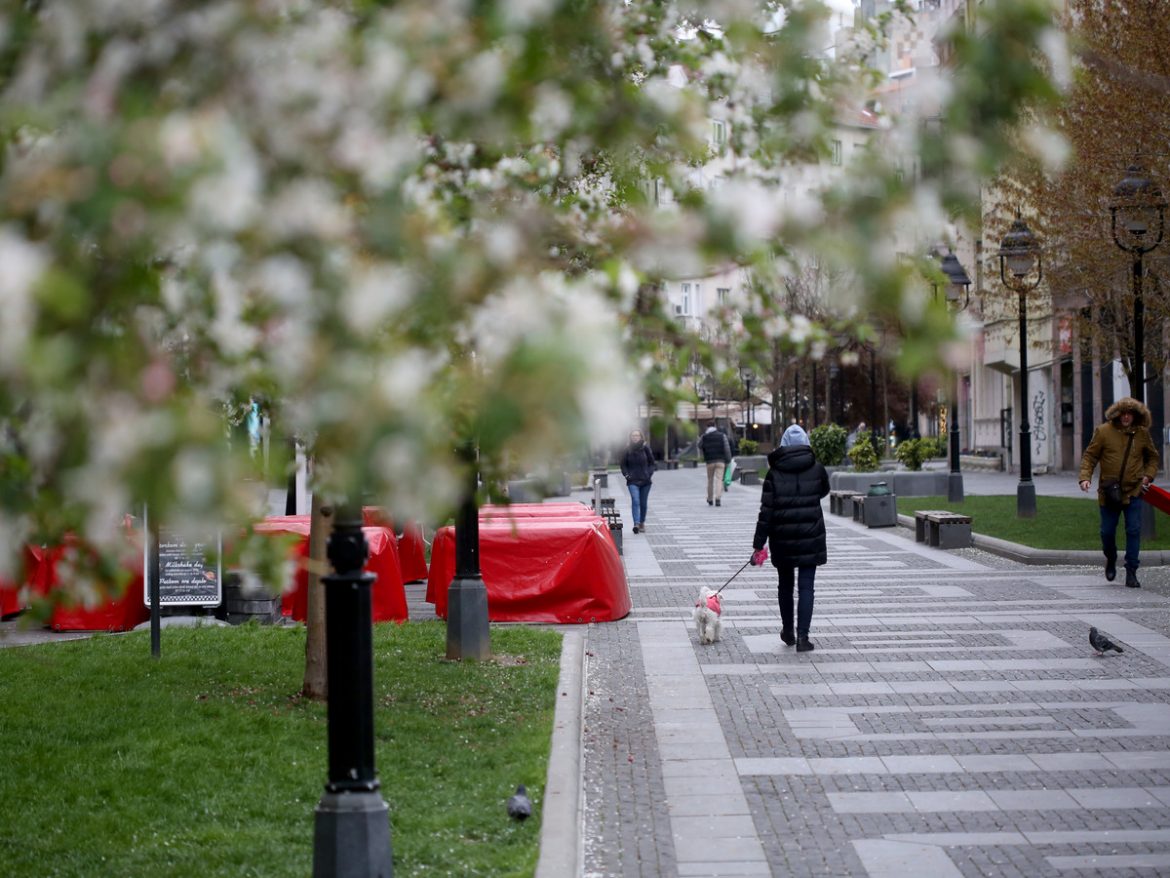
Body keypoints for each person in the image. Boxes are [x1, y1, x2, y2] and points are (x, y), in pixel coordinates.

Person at [750, 423, 830, 652]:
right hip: (810, 536)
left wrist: (758, 545)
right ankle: (803, 638)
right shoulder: (816, 468)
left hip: (782, 537)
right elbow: (823, 490)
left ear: (783, 444)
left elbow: (766, 512)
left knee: (785, 586)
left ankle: (788, 631)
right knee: (807, 587)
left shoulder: (774, 472)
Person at [1078, 397, 1160, 588]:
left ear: (1135, 416)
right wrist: (1085, 477)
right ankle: (1111, 557)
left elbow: (1153, 459)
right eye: (1123, 413)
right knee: (1107, 532)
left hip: (1134, 491)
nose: (1126, 417)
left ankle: (1131, 571)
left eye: (1130, 414)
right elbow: (1090, 456)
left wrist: (1148, 476)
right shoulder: (1103, 432)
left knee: (1133, 530)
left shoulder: (1142, 434)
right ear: (1117, 414)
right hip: (1109, 491)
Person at [620, 429, 656, 534]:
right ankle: (636, 523)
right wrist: (627, 476)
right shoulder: (627, 450)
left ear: (641, 437)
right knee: (635, 501)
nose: (635, 437)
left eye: (637, 435)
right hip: (632, 481)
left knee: (643, 503)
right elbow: (623, 465)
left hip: (645, 481)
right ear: (630, 437)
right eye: (633, 436)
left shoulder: (646, 449)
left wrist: (649, 474)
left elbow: (652, 463)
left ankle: (642, 523)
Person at [700, 421, 732, 506]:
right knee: (719, 480)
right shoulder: (722, 436)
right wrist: (728, 460)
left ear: (707, 427)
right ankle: (718, 498)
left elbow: (699, 445)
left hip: (709, 461)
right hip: (720, 461)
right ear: (715, 426)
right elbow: (727, 448)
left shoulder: (704, 436)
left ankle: (710, 499)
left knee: (710, 480)